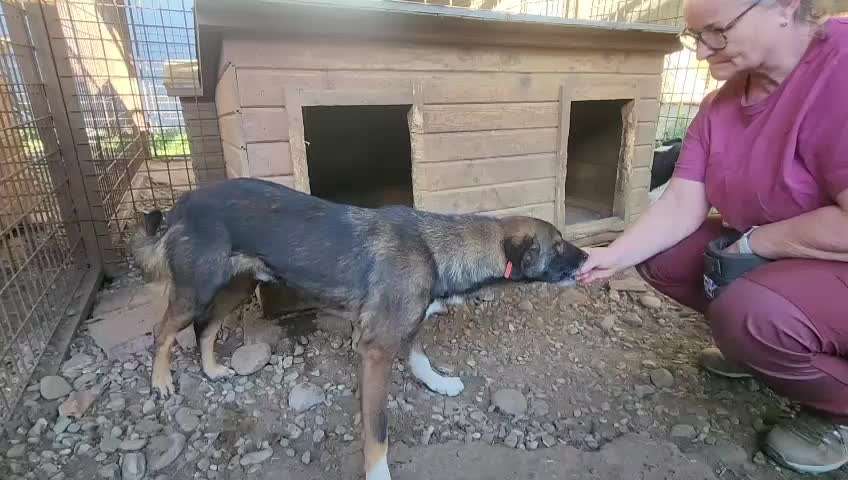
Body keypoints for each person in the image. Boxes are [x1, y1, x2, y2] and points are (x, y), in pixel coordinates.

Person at [576, 0, 848, 474]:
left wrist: (754, 244)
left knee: (750, 314)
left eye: (717, 33)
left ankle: (835, 412)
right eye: (694, 36)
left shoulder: (838, 70)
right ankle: (767, 351)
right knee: (666, 257)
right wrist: (612, 255)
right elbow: (682, 201)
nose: (701, 53)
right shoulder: (720, 103)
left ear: (785, 7)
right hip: (797, 260)